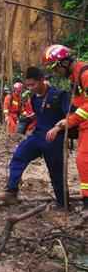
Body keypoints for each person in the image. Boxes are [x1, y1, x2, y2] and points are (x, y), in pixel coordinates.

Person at [2, 65, 70, 208]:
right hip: (38, 136)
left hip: (54, 140)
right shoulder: (33, 98)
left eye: (33, 84)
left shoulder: (59, 95)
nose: (30, 88)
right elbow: (40, 115)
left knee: (56, 172)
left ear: (42, 80)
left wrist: (58, 127)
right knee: (19, 155)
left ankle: (63, 204)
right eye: (28, 85)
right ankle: (11, 191)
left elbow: (71, 116)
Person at [42, 45, 88, 209]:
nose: (55, 72)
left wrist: (69, 121)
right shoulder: (74, 77)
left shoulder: (85, 74)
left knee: (84, 160)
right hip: (83, 126)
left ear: (64, 63)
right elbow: (77, 103)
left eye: (55, 68)